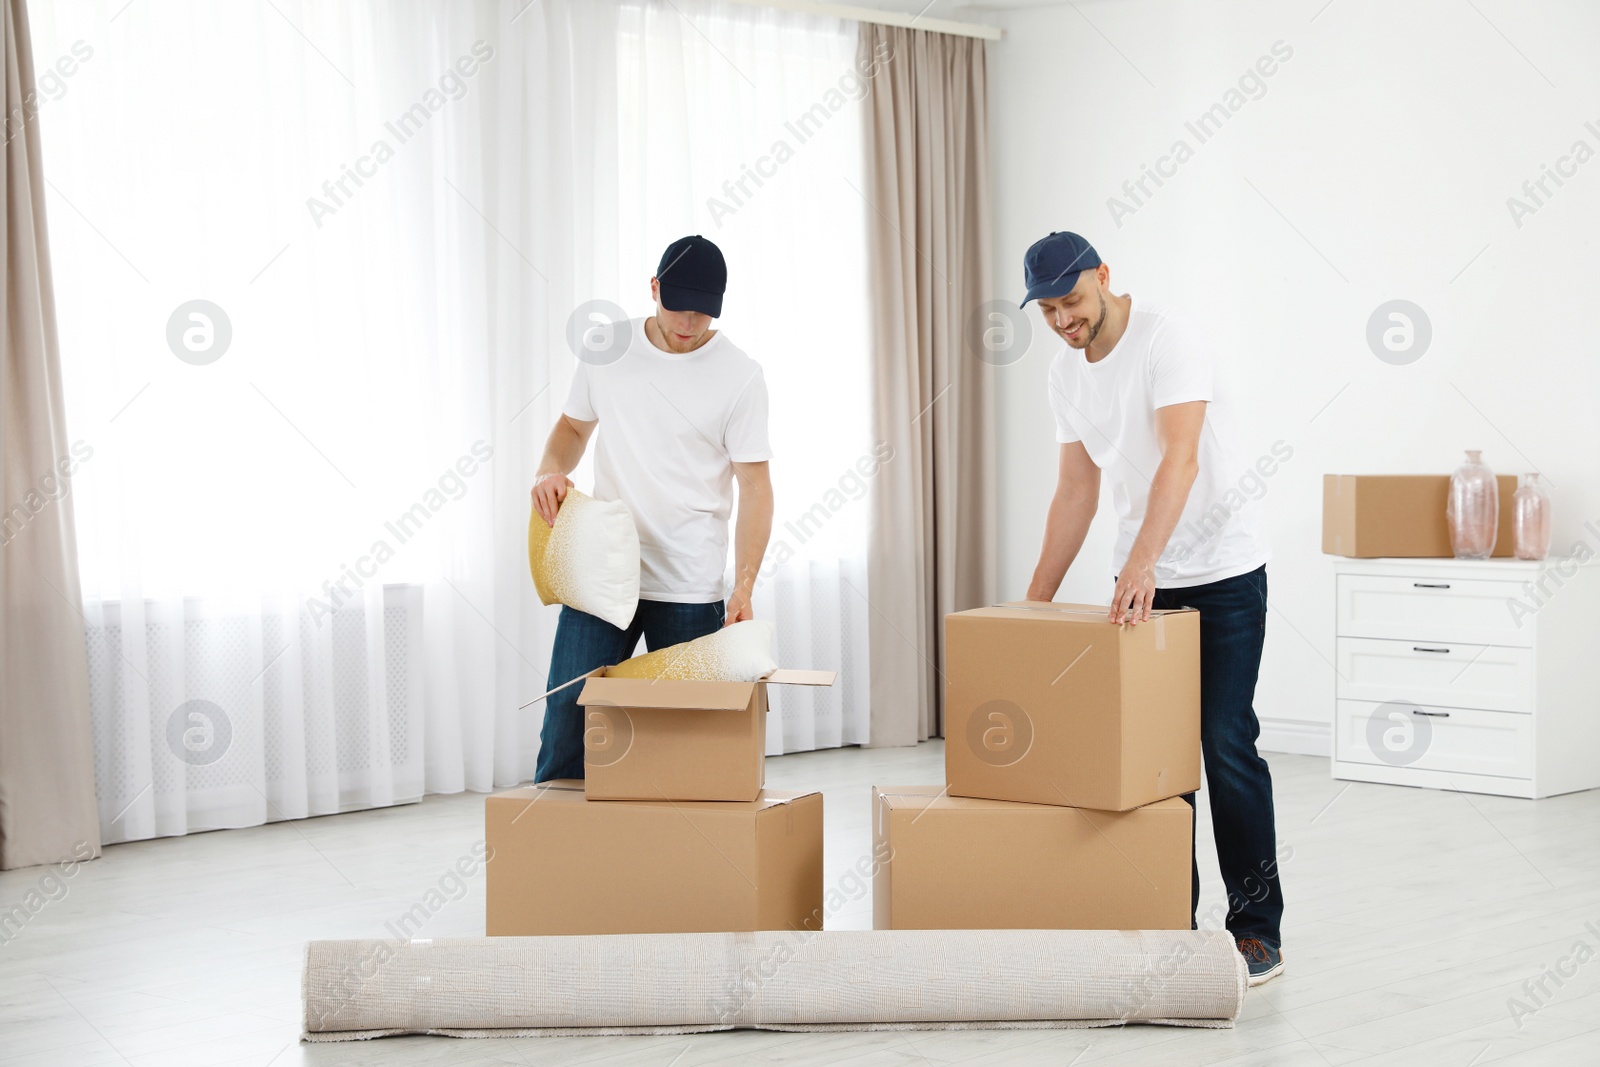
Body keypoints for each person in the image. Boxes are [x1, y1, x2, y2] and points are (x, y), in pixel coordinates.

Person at [1019, 231, 1284, 986]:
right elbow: (1076, 489)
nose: (1064, 320)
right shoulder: (1064, 374)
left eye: (1071, 300)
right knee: (1157, 761)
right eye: (1047, 310)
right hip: (1142, 584)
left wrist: (1144, 560)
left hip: (1223, 570)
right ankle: (1174, 919)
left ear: (1103, 277)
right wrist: (1031, 604)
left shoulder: (1171, 338)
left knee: (1225, 745)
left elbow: (1182, 455)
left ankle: (1255, 930)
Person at [530, 234, 774, 783]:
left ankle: (680, 864)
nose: (689, 322)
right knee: (566, 726)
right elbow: (572, 427)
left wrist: (745, 586)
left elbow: (756, 488)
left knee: (689, 746)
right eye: (677, 305)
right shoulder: (607, 348)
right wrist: (550, 469)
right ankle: (551, 858)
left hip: (690, 586)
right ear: (653, 287)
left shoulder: (740, 375)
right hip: (603, 573)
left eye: (703, 312)